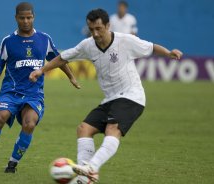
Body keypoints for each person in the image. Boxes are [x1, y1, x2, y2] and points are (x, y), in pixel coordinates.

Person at [29, 8, 182, 183]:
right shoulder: (87, 45)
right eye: (91, 29)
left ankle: (91, 169)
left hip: (132, 96)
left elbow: (151, 47)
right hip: (110, 98)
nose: (95, 33)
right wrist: (41, 70)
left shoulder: (125, 41)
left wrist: (169, 52)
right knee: (84, 129)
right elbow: (63, 57)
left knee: (112, 129)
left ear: (108, 26)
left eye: (98, 29)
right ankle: (84, 178)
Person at [0, 2, 80, 173]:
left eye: (29, 17)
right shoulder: (8, 41)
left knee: (29, 124)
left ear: (34, 17)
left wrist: (71, 77)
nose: (26, 21)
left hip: (33, 93)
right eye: (22, 18)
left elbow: (58, 59)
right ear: (16, 18)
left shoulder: (44, 39)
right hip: (11, 92)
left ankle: (12, 165)